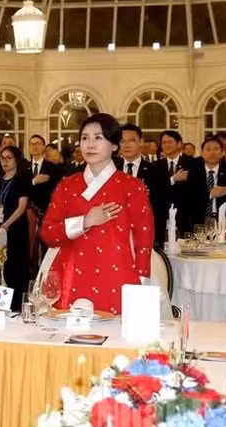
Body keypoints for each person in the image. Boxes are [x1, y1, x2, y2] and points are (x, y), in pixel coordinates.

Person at [40, 114, 154, 315]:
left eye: (98, 138)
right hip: (70, 276)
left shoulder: (132, 187)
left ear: (114, 146)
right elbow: (48, 233)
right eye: (85, 138)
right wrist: (84, 222)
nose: (90, 144)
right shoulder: (67, 185)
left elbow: (143, 239)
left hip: (117, 275)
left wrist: (141, 282)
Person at [0, 145, 31, 309]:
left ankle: (16, 306)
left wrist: (5, 226)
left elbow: (21, 207)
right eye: (2, 158)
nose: (5, 162)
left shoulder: (22, 179)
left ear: (16, 160)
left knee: (16, 266)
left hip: (16, 228)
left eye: (8, 158)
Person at [151, 130, 195, 244]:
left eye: (170, 142)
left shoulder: (192, 163)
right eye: (164, 142)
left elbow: (194, 191)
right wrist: (172, 179)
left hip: (185, 218)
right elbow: (156, 191)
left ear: (179, 144)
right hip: (162, 219)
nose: (166, 145)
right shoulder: (156, 166)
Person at [188, 137, 226, 231]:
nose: (212, 152)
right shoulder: (193, 173)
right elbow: (189, 200)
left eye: (216, 149)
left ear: (222, 153)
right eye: (208, 149)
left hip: (224, 222)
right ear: (202, 153)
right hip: (200, 222)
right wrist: (210, 194)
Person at [116, 124, 153, 188]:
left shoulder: (153, 170)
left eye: (131, 141)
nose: (127, 146)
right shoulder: (112, 169)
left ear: (141, 142)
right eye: (122, 141)